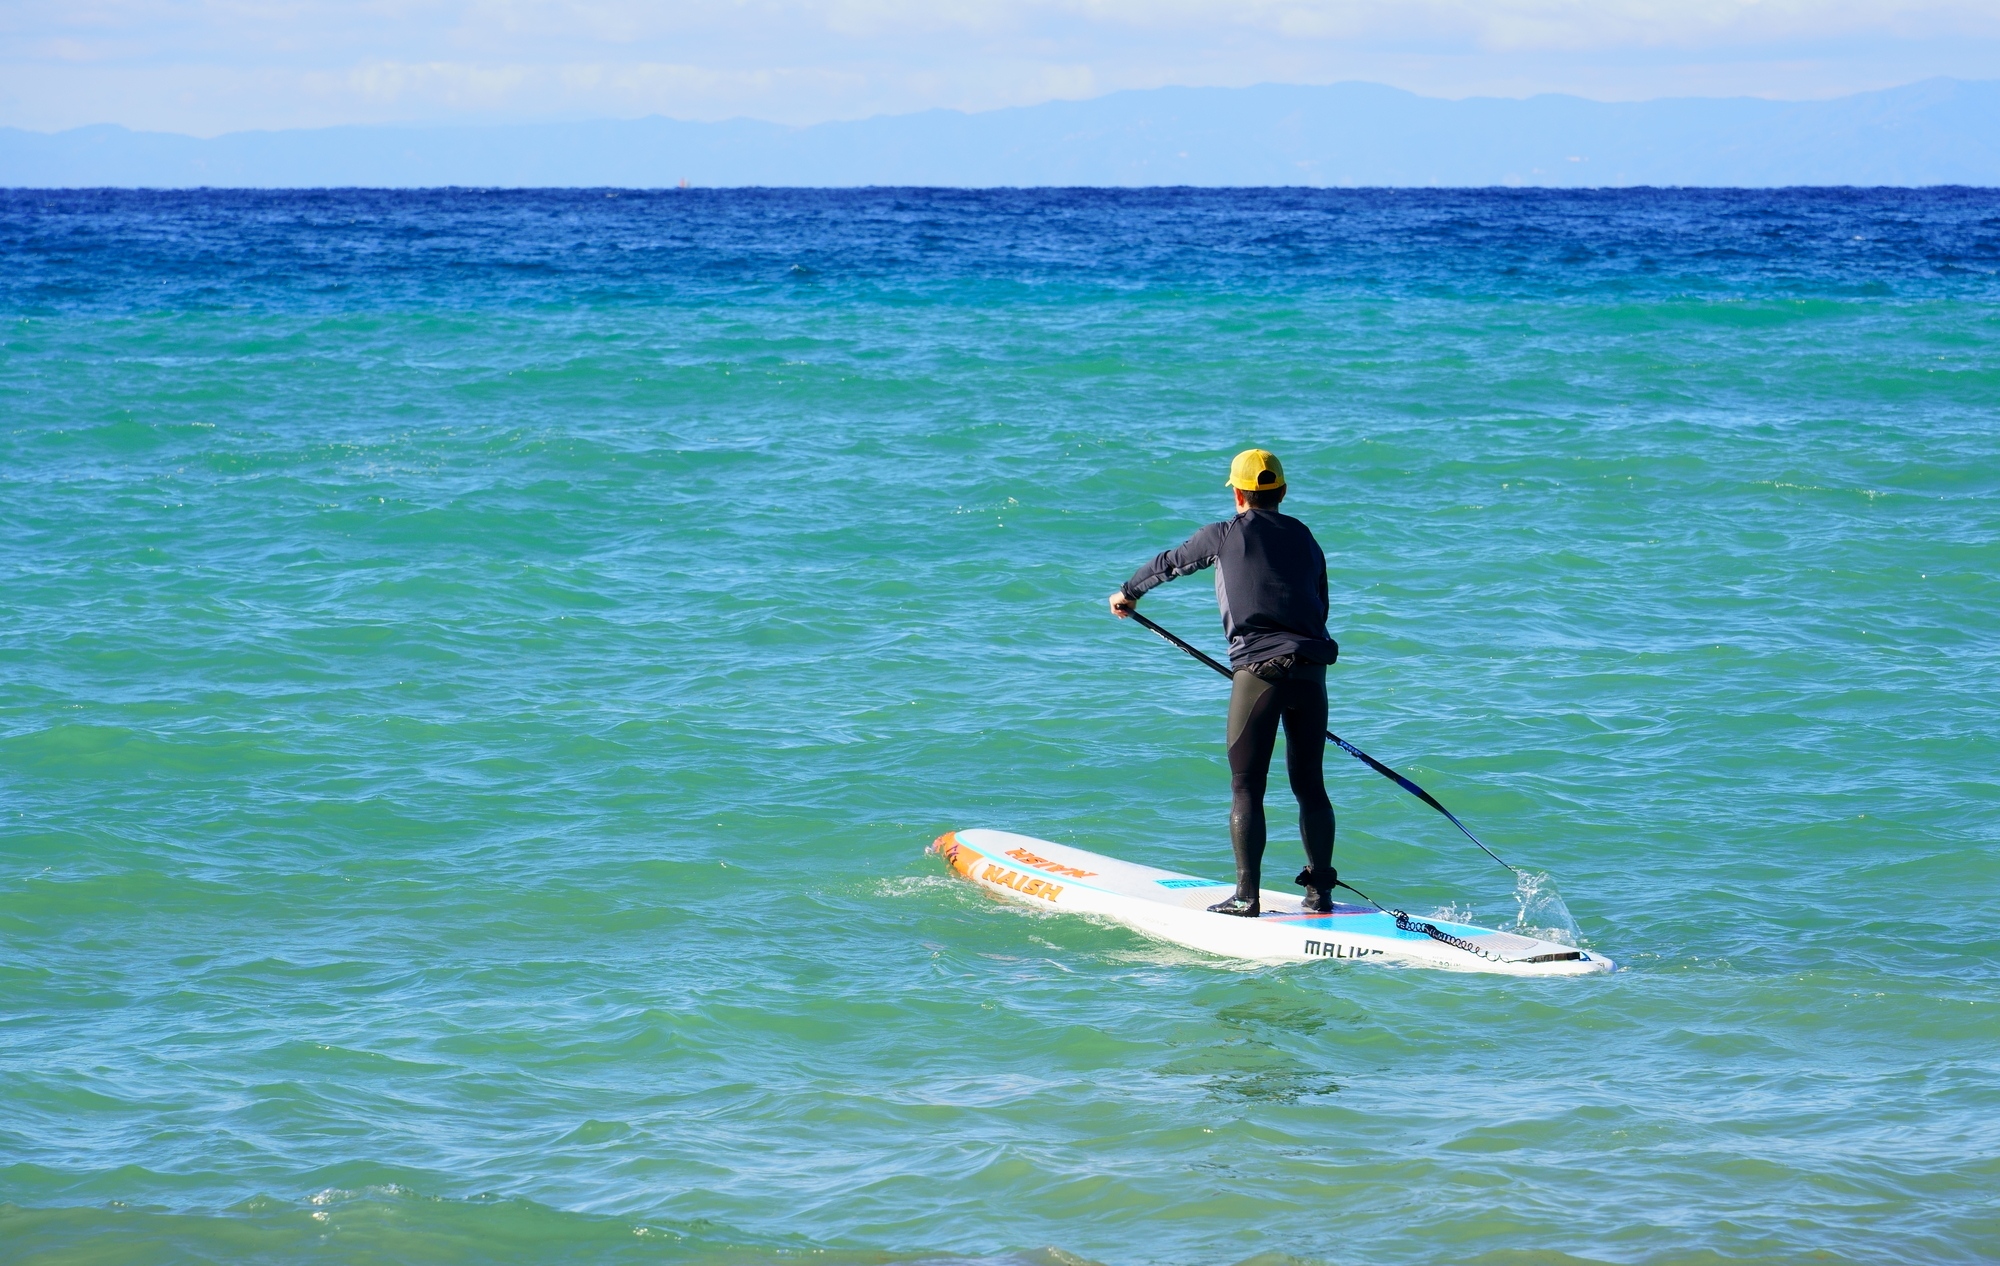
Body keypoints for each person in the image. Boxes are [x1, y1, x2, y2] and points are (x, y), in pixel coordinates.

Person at [1108, 449, 1340, 917]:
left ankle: (1245, 898)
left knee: (1247, 785)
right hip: (1311, 670)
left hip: (1259, 671)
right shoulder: (1306, 537)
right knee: (1310, 784)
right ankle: (1320, 895)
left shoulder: (1224, 533)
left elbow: (1169, 563)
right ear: (1283, 492)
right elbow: (1321, 602)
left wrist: (1127, 594)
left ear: (1237, 493)